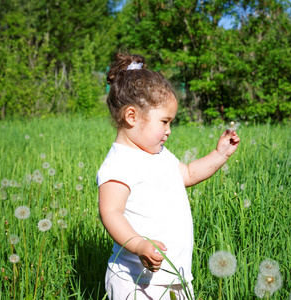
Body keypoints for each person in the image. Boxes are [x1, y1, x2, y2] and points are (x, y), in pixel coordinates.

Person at [96, 53, 240, 300]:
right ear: (132, 117)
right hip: (136, 281)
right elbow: (110, 213)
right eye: (164, 122)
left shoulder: (159, 154)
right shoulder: (119, 164)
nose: (169, 131)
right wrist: (139, 245)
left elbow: (188, 173)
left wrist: (219, 154)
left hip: (176, 276)